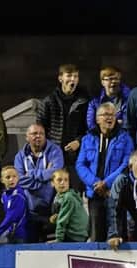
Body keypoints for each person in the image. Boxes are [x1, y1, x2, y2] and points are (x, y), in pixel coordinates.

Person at [76, 102, 134, 242]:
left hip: (116, 194)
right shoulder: (87, 139)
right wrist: (96, 183)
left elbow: (126, 165)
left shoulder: (125, 138)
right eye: (105, 114)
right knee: (97, 237)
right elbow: (80, 164)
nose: (109, 118)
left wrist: (107, 184)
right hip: (95, 194)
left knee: (119, 237)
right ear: (97, 119)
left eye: (112, 114)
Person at [36, 63, 89, 193]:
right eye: (69, 76)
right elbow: (39, 131)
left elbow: (90, 129)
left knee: (75, 194)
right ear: (60, 78)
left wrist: (79, 141)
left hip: (76, 157)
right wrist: (45, 155)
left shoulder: (84, 102)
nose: (73, 79)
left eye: (76, 76)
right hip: (54, 157)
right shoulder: (48, 101)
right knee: (54, 195)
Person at [14, 124, 64, 242]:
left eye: (41, 134)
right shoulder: (20, 156)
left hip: (52, 209)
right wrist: (45, 179)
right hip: (30, 211)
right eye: (34, 134)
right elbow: (19, 180)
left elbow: (56, 173)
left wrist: (30, 174)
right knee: (31, 246)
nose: (38, 136)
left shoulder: (55, 151)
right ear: (27, 137)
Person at [48, 169, 89, 242]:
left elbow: (63, 220)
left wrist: (58, 239)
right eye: (59, 180)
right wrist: (56, 219)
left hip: (76, 236)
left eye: (66, 180)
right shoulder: (58, 196)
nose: (63, 182)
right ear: (52, 183)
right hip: (75, 234)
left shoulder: (68, 197)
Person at [86, 65, 131, 130]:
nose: (113, 82)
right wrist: (117, 122)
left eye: (116, 79)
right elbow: (91, 126)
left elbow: (126, 125)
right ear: (102, 82)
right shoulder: (94, 102)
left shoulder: (129, 99)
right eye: (109, 79)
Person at [0, 166, 27, 243]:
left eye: (14, 176)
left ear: (18, 178)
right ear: (2, 180)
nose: (12, 179)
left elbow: (11, 218)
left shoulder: (18, 195)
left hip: (17, 235)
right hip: (8, 232)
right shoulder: (4, 195)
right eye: (8, 177)